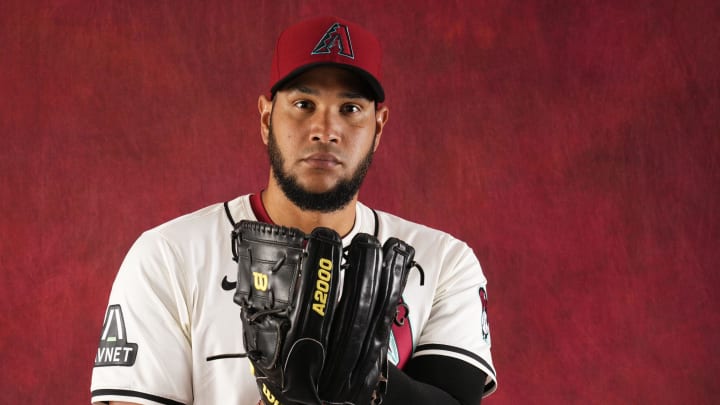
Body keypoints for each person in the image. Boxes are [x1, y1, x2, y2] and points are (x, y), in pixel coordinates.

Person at [90, 15, 497, 405]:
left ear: (379, 127)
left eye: (350, 109)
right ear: (266, 118)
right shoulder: (169, 256)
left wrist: (373, 388)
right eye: (303, 104)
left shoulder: (443, 262)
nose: (325, 129)